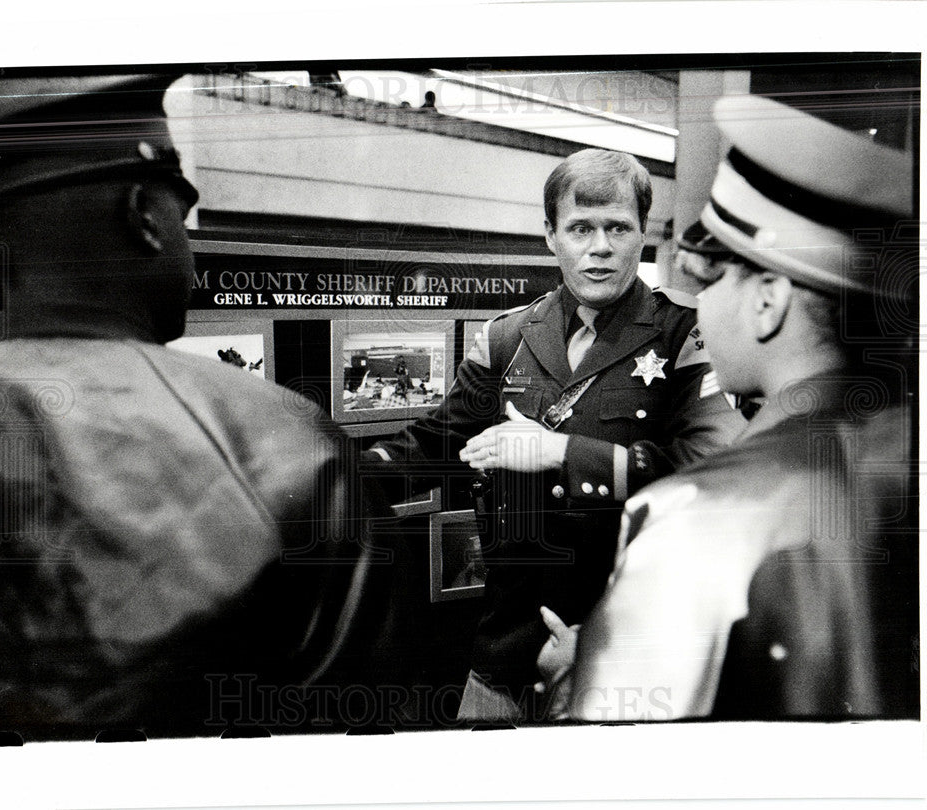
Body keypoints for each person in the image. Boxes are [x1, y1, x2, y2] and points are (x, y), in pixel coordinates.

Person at [0, 74, 388, 743]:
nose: (196, 267)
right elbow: (350, 729)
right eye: (182, 219)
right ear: (142, 216)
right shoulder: (288, 439)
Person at [561, 95, 918, 721]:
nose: (700, 307)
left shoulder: (695, 516)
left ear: (768, 301)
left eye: (712, 280)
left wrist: (572, 675)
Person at [370, 147, 745, 721]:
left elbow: (711, 471)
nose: (600, 247)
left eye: (618, 227)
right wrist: (329, 475)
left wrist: (562, 452)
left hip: (628, 655)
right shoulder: (508, 337)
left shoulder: (684, 336)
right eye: (580, 228)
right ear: (551, 236)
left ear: (643, 234)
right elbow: (431, 444)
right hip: (503, 651)